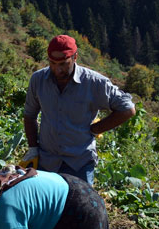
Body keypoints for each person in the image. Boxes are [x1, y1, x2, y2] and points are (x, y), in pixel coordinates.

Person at [22, 35, 136, 185]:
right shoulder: (38, 80)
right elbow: (30, 115)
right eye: (52, 63)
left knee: (79, 207)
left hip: (79, 164)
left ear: (75, 57)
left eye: (63, 63)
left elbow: (127, 109)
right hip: (47, 162)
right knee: (47, 208)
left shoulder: (94, 83)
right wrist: (33, 149)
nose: (57, 69)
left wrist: (96, 129)